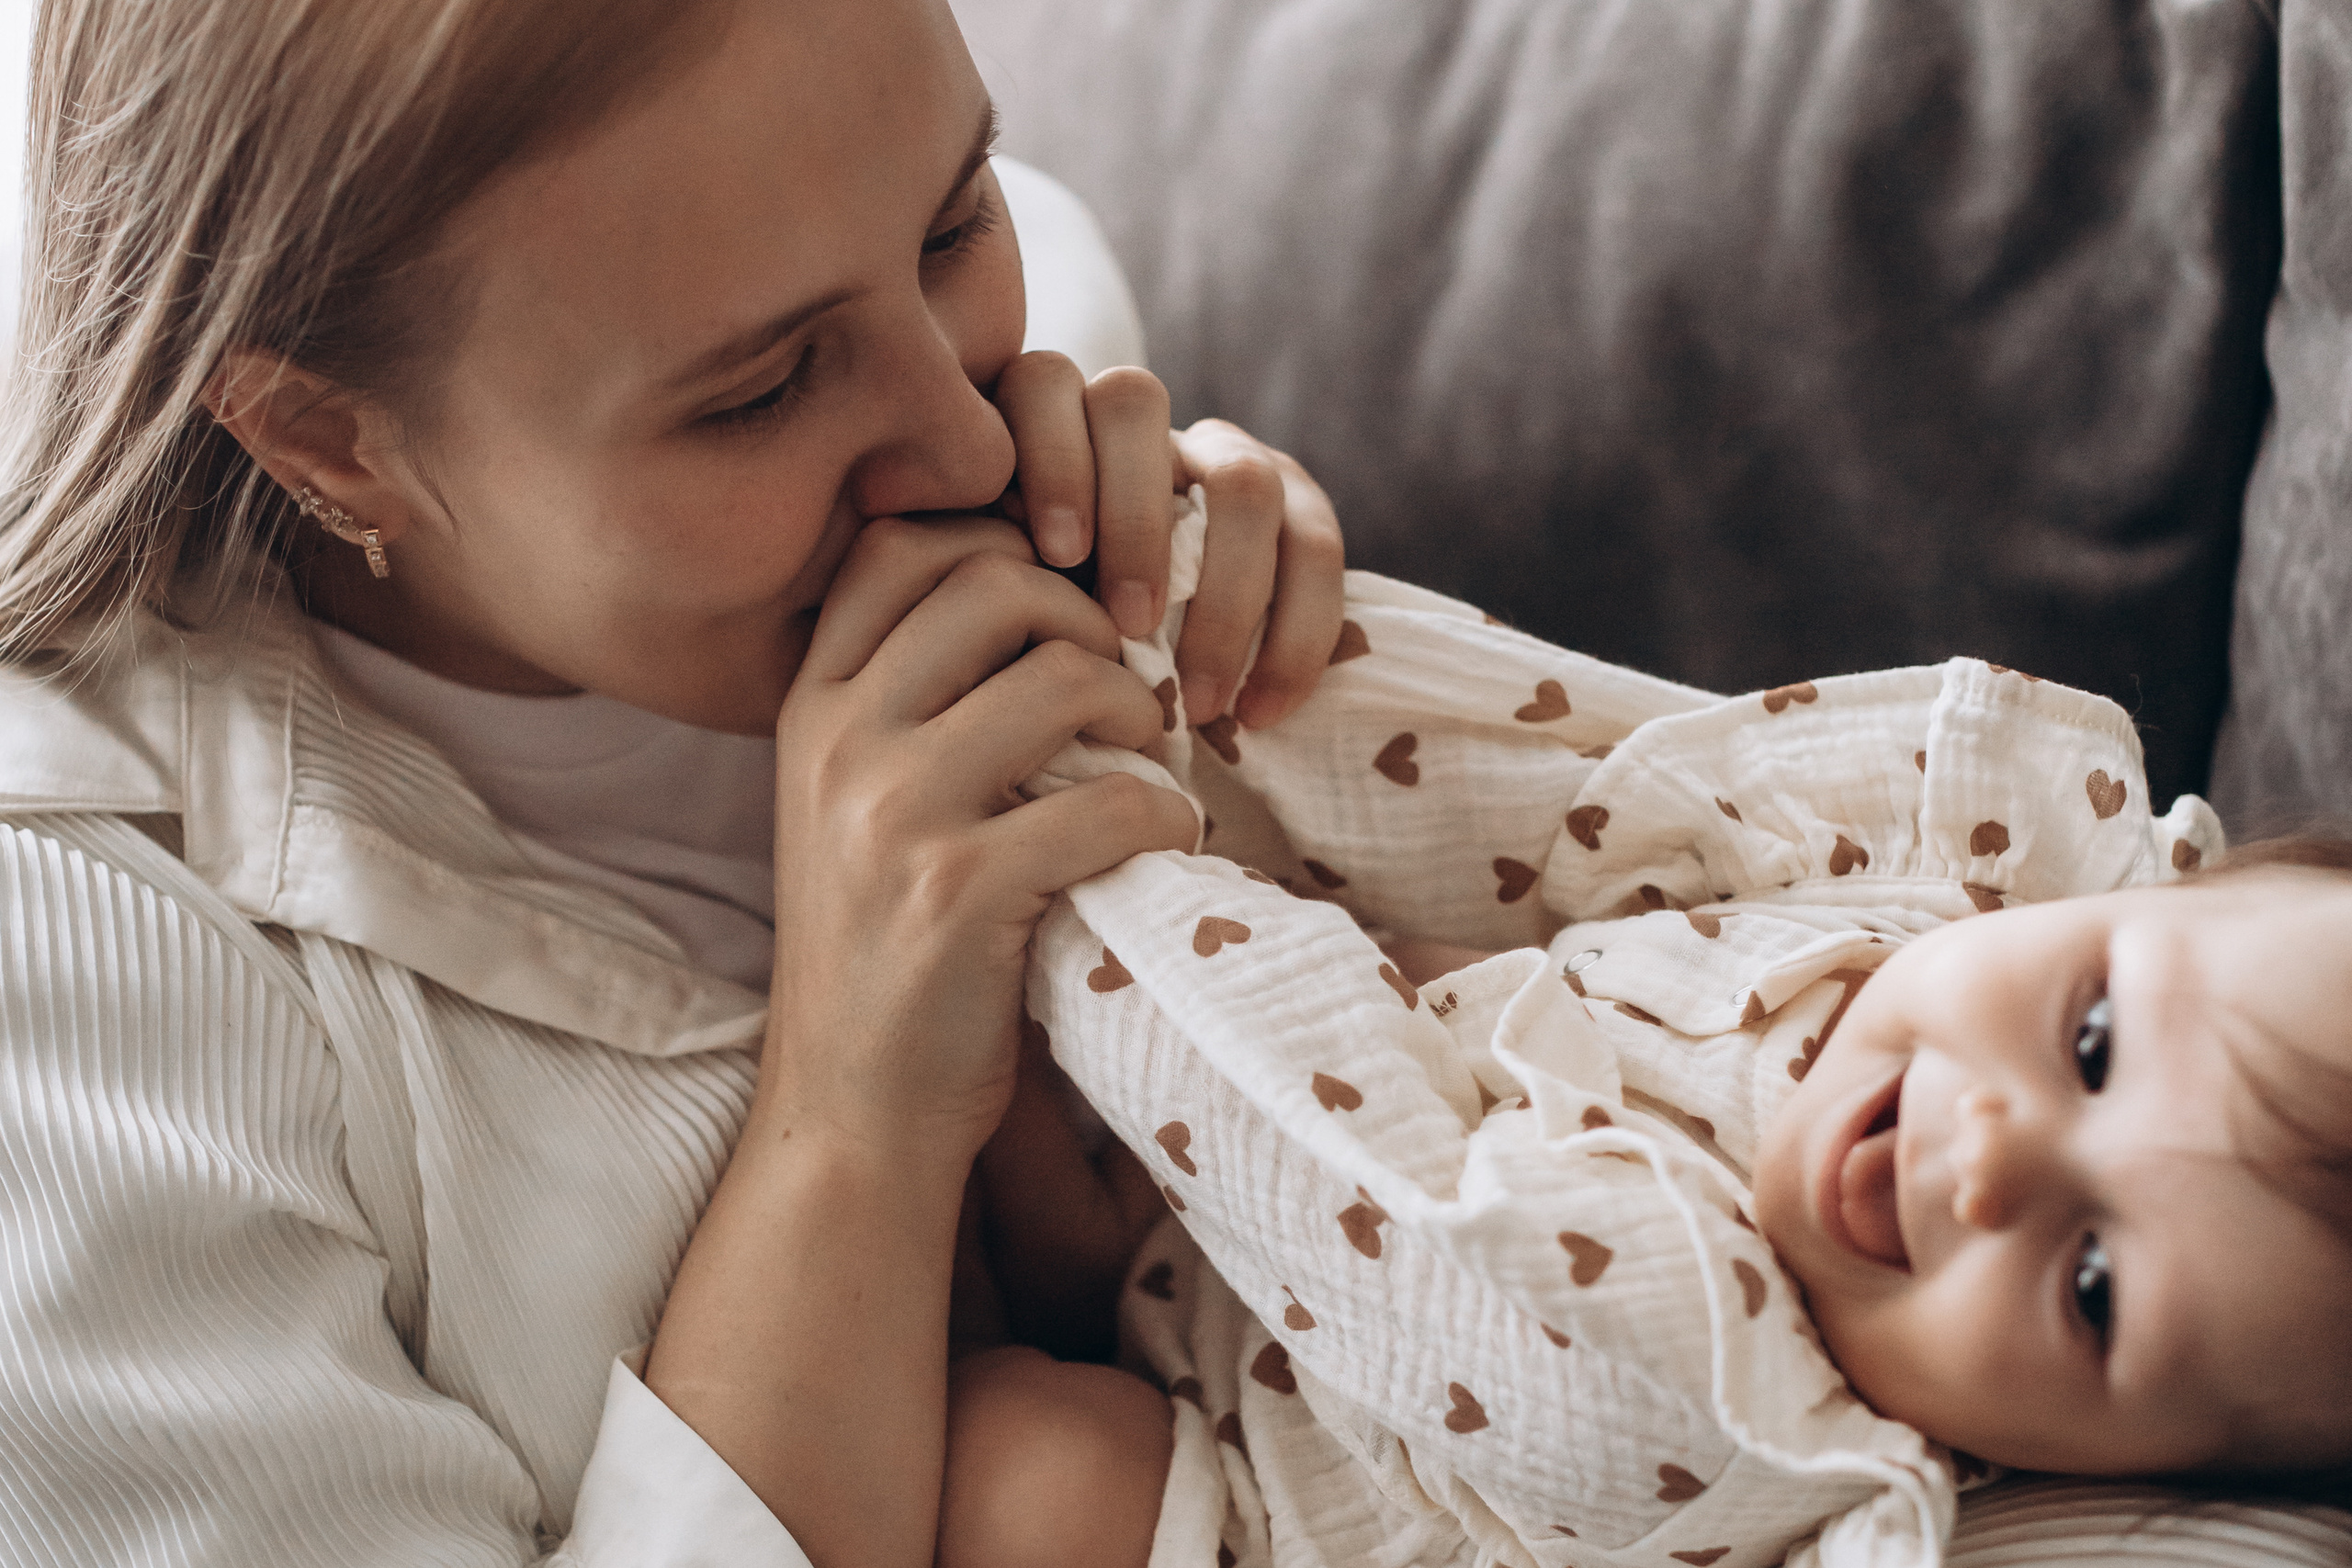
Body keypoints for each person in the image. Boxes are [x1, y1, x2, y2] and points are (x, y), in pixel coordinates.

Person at [0, 1, 1347, 1564]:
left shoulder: (1004, 367)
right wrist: (854, 1116)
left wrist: (1306, 706)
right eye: (760, 393)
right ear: (324, 440)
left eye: (953, 217)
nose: (964, 441)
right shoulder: (74, 971)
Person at [931, 558, 2352, 1565]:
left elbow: (1303, 1125)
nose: (1986, 1160)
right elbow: (1535, 767)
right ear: (2140, 892)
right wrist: (1171, 613)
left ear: (2136, 1470)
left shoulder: (1715, 1391)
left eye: (2096, 1290)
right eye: (2095, 1039)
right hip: (1244, 1134)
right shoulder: (1947, 879)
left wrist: (1070, 795)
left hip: (1262, 1400)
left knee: (1026, 1475)